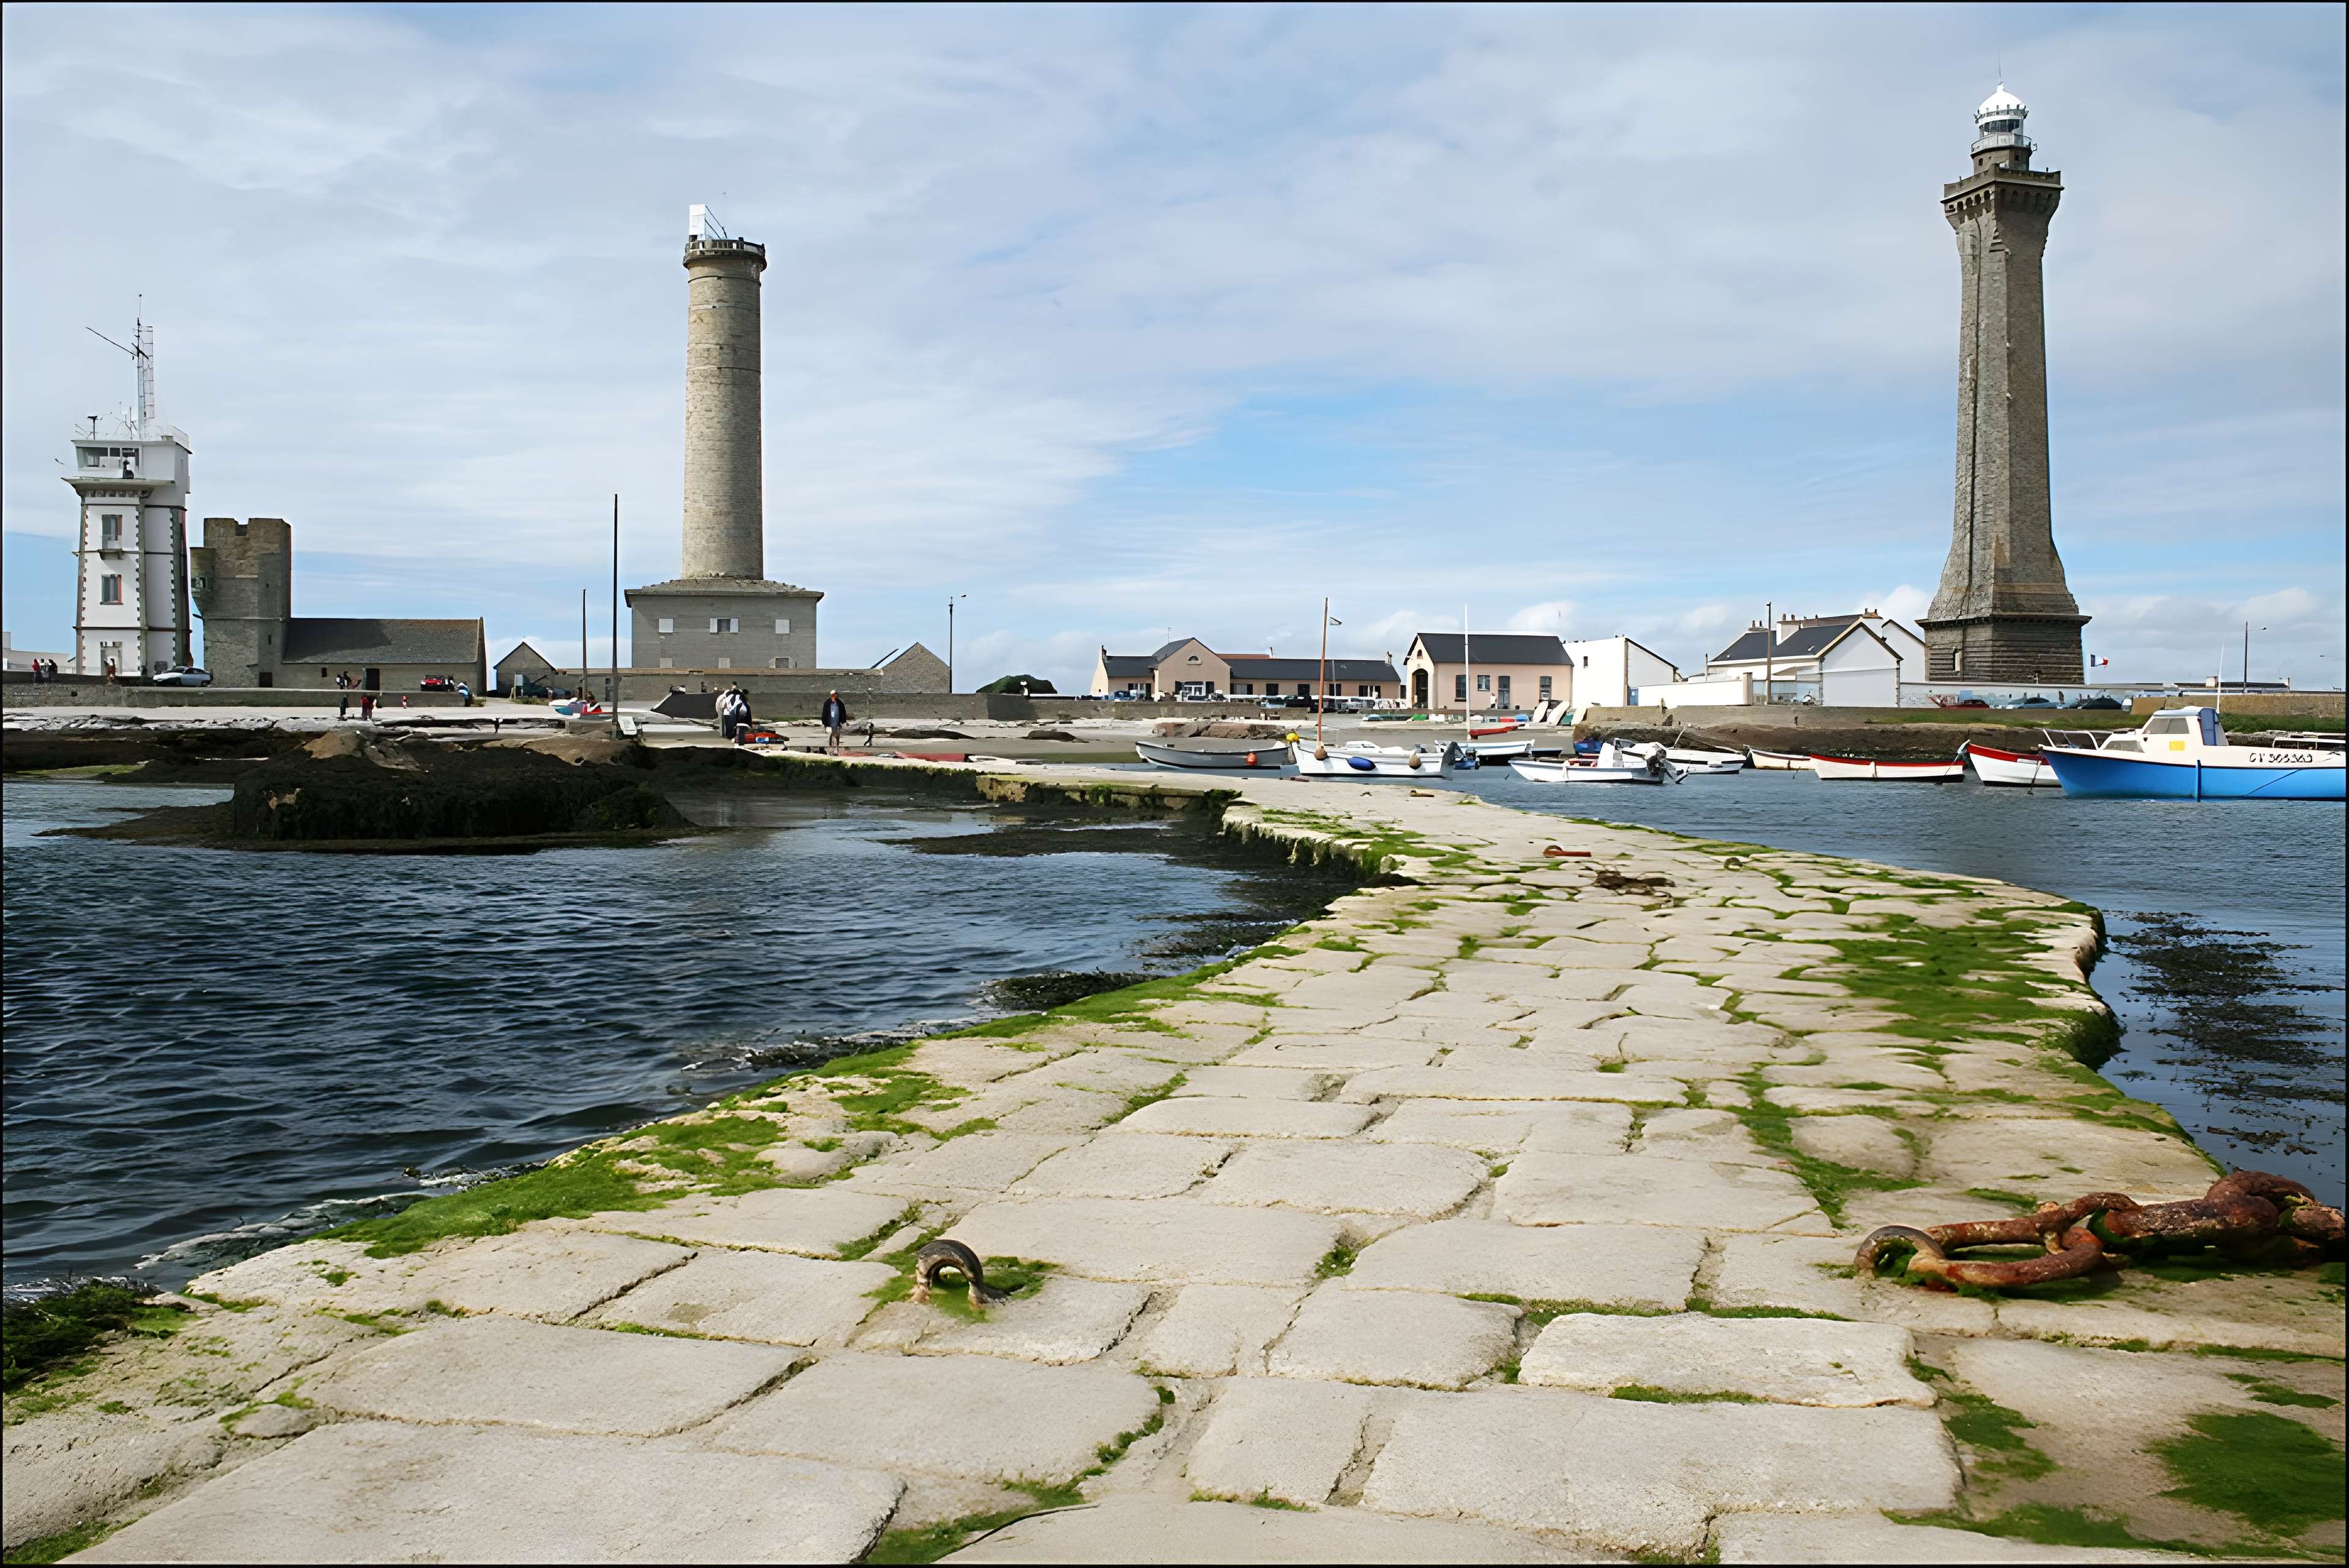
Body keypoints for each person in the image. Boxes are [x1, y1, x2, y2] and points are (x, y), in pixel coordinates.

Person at [821, 690, 850, 755]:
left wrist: (843, 721)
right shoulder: (828, 703)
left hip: (837, 721)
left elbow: (843, 712)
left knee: (836, 735)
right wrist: (825, 722)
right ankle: (833, 747)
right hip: (830, 721)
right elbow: (825, 713)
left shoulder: (840, 703)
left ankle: (835, 747)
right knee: (833, 734)